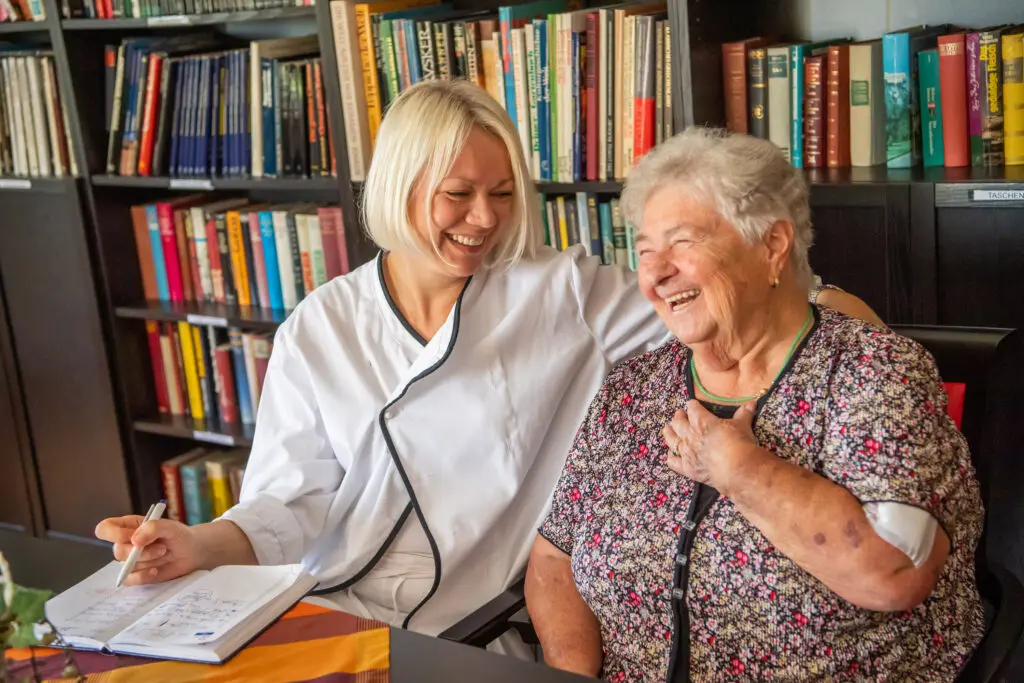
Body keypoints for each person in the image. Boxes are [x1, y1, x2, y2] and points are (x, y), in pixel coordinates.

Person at [94, 81, 881, 645]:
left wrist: (866, 341)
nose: (485, 220)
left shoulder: (560, 292)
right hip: (327, 607)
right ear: (402, 186)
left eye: (502, 193)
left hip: (471, 621)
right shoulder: (322, 324)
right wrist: (197, 545)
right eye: (459, 194)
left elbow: (738, 307)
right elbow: (288, 503)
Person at [525, 128, 984, 681]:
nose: (655, 273)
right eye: (645, 251)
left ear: (771, 245)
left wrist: (737, 468)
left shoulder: (875, 373)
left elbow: (893, 571)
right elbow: (554, 557)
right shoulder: (632, 390)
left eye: (682, 243)